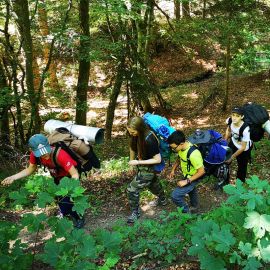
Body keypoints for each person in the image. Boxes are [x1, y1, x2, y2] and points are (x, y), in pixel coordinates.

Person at [1, 134, 85, 228]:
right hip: (57, 178)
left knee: (66, 200)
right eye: (40, 153)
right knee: (59, 199)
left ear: (48, 144)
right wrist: (13, 177)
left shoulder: (61, 154)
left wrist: (70, 190)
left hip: (69, 178)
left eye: (45, 152)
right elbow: (30, 169)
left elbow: (75, 174)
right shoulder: (34, 155)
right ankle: (66, 215)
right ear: (33, 151)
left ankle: (78, 218)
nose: (44, 155)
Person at [126, 116, 167, 224]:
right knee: (152, 184)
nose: (131, 134)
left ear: (140, 129)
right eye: (129, 131)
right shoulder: (136, 135)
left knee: (132, 189)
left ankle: (135, 213)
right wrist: (131, 162)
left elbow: (157, 159)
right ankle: (163, 199)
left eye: (133, 132)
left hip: (149, 167)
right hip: (142, 164)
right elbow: (132, 147)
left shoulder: (150, 139)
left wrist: (138, 162)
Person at [167, 130, 205, 213]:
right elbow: (180, 158)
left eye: (174, 148)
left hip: (194, 177)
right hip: (187, 175)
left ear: (181, 143)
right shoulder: (181, 149)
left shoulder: (194, 154)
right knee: (191, 190)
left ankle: (186, 213)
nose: (173, 150)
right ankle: (195, 205)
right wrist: (173, 170)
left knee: (175, 196)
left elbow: (201, 171)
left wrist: (187, 181)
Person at [225, 107, 252, 182]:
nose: (234, 118)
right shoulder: (230, 120)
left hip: (244, 149)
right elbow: (228, 130)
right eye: (233, 115)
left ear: (242, 117)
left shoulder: (246, 129)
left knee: (242, 167)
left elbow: (243, 148)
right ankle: (225, 179)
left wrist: (232, 157)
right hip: (233, 143)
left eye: (237, 116)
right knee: (225, 160)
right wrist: (225, 140)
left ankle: (239, 184)